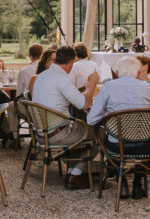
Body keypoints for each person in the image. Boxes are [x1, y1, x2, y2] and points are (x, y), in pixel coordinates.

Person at [87, 56, 150, 198]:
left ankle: (123, 183)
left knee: (112, 136)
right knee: (142, 135)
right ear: (138, 73)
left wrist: (109, 118)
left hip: (117, 146)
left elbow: (91, 119)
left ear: (117, 73)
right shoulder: (149, 88)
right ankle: (137, 184)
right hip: (145, 146)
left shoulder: (109, 87)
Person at [31, 46, 99, 189]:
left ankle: (72, 171)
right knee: (98, 134)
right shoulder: (61, 78)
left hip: (39, 133)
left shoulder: (42, 75)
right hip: (57, 134)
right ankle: (75, 174)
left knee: (81, 130)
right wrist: (91, 84)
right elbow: (84, 104)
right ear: (71, 63)